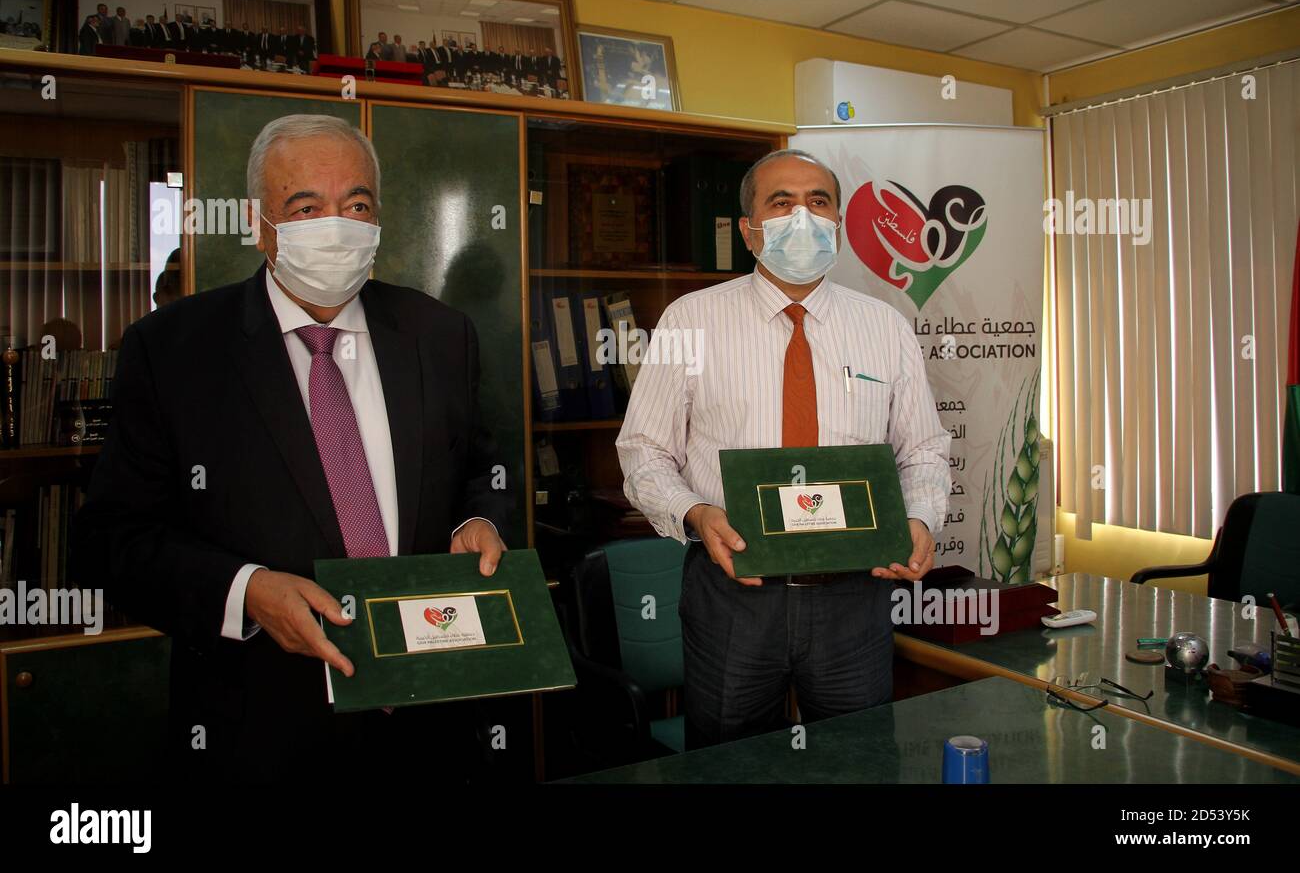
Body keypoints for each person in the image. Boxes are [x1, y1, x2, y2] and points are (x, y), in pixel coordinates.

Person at [75, 114, 511, 781]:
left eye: (355, 205)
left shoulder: (440, 334)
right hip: (262, 727)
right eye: (305, 207)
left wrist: (478, 518)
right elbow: (115, 539)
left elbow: (481, 468)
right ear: (258, 223)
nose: (335, 224)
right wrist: (246, 591)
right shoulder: (173, 351)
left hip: (432, 716)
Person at [616, 149, 951, 750]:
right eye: (781, 202)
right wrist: (694, 513)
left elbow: (923, 448)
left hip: (854, 598)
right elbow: (643, 450)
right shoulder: (689, 320)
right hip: (734, 597)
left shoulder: (886, 327)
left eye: (818, 201)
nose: (803, 215)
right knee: (731, 768)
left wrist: (922, 517)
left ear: (839, 224)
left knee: (859, 762)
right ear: (748, 230)